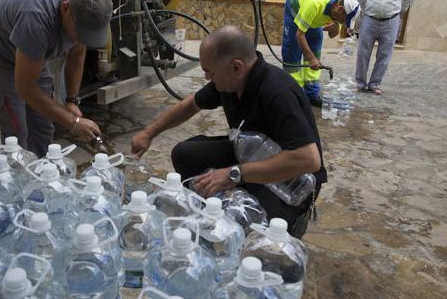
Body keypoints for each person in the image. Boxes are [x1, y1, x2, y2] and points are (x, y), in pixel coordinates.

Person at [131, 26, 326, 237]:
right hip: (249, 152)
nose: (207, 78)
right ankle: (211, 206)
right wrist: (149, 133)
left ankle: (294, 219)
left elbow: (308, 159)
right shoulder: (229, 82)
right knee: (184, 153)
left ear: (236, 67)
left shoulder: (277, 92)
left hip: (293, 181)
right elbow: (190, 105)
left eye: (210, 72)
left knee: (248, 223)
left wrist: (234, 175)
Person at [0, 0, 113, 157]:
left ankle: (43, 176)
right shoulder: (36, 17)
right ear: (65, 8)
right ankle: (19, 178)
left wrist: (72, 100)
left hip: (34, 53)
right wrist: (73, 123)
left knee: (43, 126)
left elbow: (77, 54)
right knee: (16, 131)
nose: (80, 39)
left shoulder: (85, 7)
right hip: (1, 54)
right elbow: (25, 88)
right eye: (80, 33)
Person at [281, 0, 360, 107]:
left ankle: (311, 94)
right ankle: (295, 94)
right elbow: (300, 34)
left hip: (314, 17)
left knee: (315, 47)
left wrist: (335, 25)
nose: (343, 22)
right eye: (343, 20)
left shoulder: (342, 5)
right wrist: (310, 58)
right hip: (295, 9)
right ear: (340, 9)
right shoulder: (314, 4)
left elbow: (332, 35)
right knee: (292, 51)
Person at [355, 0, 417, 95]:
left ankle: (374, 84)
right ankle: (360, 83)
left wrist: (399, 9)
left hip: (391, 21)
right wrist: (355, 21)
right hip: (369, 19)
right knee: (363, 52)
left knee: (384, 54)